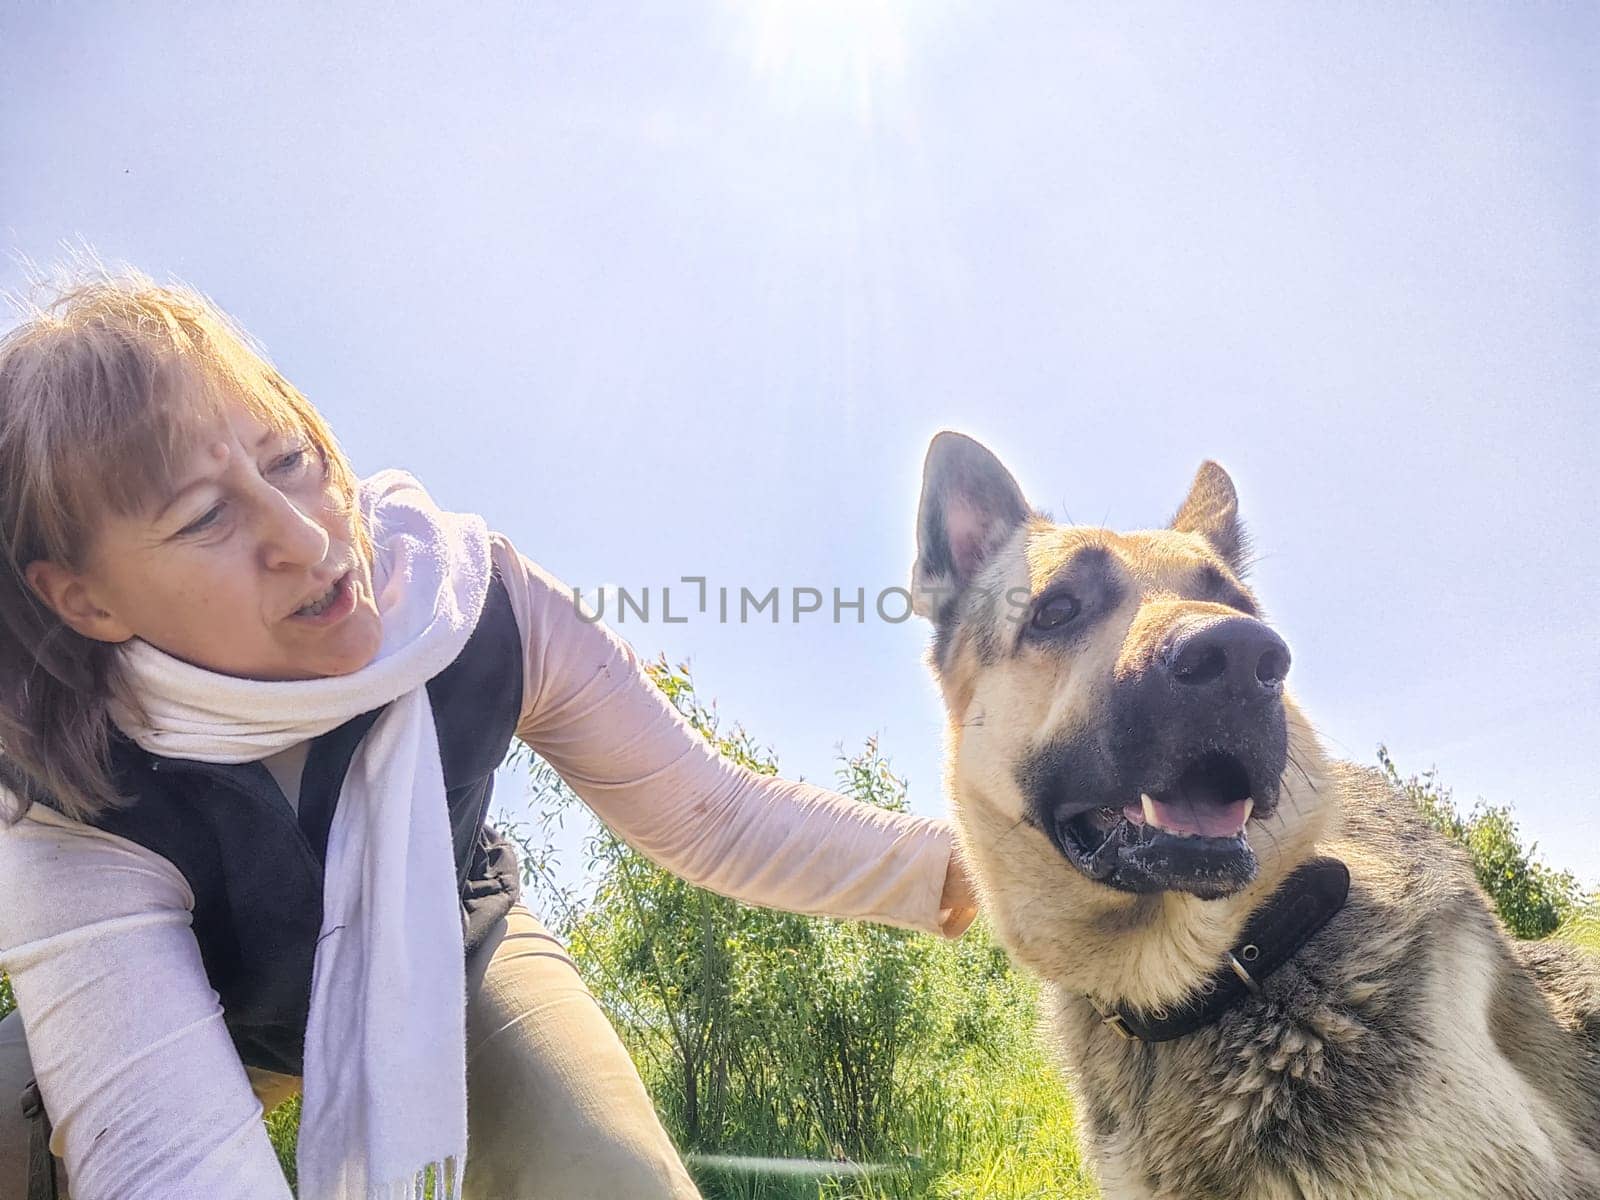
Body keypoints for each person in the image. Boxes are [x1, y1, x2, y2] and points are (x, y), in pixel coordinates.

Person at [0, 271, 979, 1200]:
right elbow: (178, 1170)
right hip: (211, 1014)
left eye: (288, 457)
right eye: (205, 517)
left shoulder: (477, 607)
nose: (304, 538)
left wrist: (984, 868)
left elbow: (713, 816)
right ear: (82, 598)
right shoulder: (66, 795)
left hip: (451, 962)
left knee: (613, 1184)